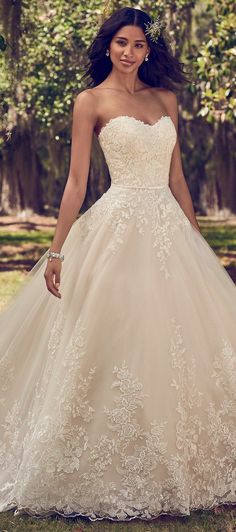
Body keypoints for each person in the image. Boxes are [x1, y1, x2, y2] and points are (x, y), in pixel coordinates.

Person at [0, 6, 235, 524]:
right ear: (108, 46)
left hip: (169, 228)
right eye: (121, 43)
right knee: (122, 328)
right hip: (117, 226)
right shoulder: (90, 102)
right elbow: (77, 182)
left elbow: (177, 181)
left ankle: (190, 457)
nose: (129, 52)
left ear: (149, 50)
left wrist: (197, 243)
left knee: (182, 340)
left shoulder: (166, 99)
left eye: (138, 45)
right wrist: (57, 250)